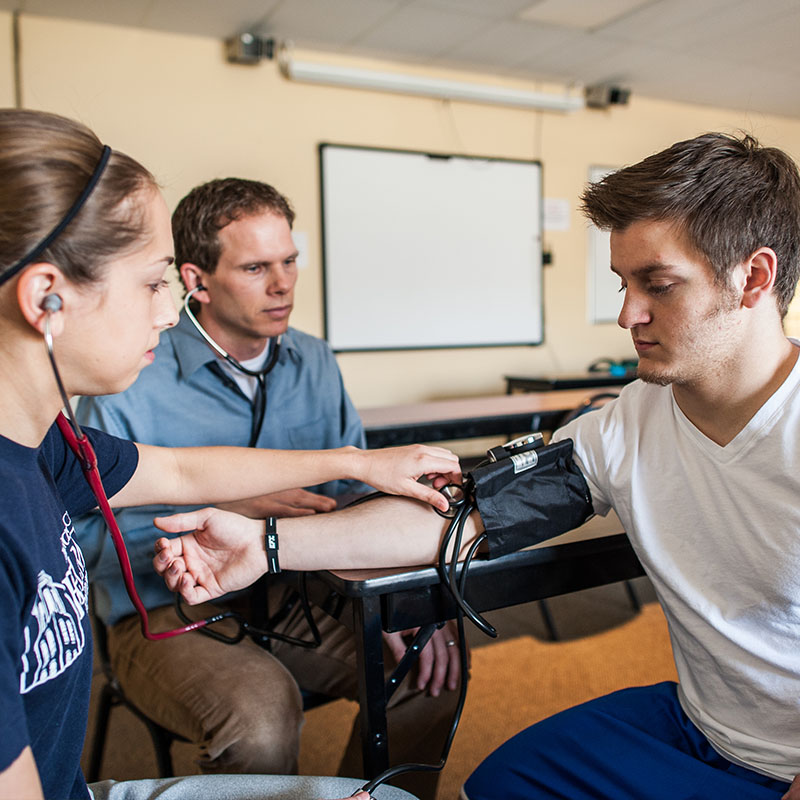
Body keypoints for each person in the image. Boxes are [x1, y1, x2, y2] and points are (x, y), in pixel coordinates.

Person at [155, 132, 800, 800]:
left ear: (753, 277)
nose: (627, 314)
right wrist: (267, 544)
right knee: (493, 788)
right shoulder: (628, 424)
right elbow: (466, 518)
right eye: (623, 283)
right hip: (702, 729)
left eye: (657, 286)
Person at [0, 107, 463, 800]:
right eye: (155, 284)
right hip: (168, 608)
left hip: (296, 587)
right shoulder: (116, 384)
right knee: (261, 715)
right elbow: (112, 532)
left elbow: (178, 468)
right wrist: (233, 513)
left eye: (289, 262)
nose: (166, 311)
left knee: (421, 676)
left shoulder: (54, 449)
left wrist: (357, 468)